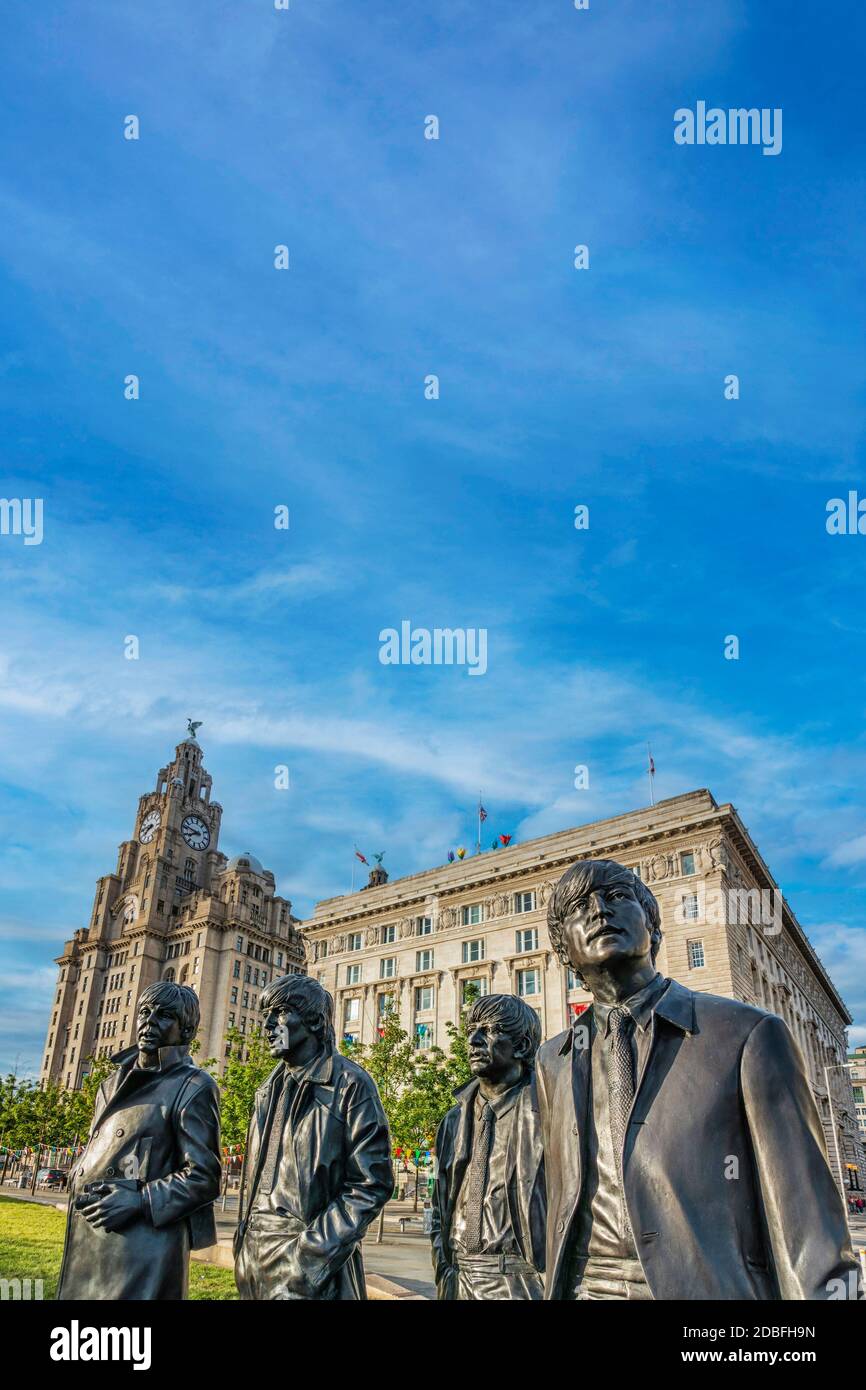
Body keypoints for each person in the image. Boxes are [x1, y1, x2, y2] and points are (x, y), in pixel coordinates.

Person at [531, 857, 862, 1300]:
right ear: (563, 953)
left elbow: (808, 1230)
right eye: (578, 907)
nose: (599, 911)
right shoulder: (552, 1059)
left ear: (654, 926)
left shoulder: (746, 1035)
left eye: (616, 897)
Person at [57, 981, 222, 1300]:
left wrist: (140, 1200)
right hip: (92, 1240)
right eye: (145, 1012)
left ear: (185, 1030)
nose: (150, 1021)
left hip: (142, 1251)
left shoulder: (194, 1086)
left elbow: (205, 1177)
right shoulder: (110, 1084)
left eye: (164, 1016)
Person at [234, 974, 392, 1299]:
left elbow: (370, 1183)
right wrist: (243, 1249)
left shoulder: (350, 1084)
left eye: (278, 1013)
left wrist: (310, 1258)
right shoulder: (266, 1090)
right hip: (254, 1258)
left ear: (314, 1021)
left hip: (309, 1263)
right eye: (265, 1015)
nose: (267, 1025)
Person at [430, 993, 545, 1299]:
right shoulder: (454, 1118)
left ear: (521, 1045)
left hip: (519, 1279)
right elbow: (440, 1204)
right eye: (471, 1030)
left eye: (490, 1030)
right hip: (457, 1277)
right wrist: (443, 1267)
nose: (473, 1041)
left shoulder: (548, 1111)